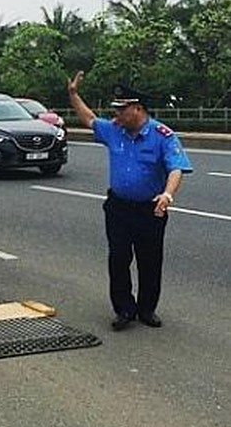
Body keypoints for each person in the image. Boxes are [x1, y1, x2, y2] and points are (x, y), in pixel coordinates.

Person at [67, 73, 193, 331]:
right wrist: (73, 95)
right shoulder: (115, 131)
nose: (116, 116)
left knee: (150, 261)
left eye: (121, 110)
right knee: (118, 258)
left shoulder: (162, 136)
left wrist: (167, 195)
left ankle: (147, 309)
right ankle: (124, 308)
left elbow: (176, 168)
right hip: (119, 209)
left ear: (137, 109)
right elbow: (90, 119)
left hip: (150, 210)